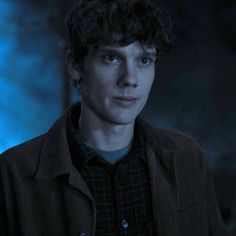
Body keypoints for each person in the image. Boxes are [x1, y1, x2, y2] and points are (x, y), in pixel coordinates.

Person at [0, 0, 229, 235]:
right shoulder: (13, 173)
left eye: (144, 60)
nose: (130, 78)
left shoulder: (186, 157)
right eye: (111, 58)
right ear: (75, 65)